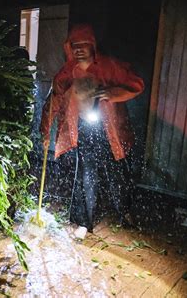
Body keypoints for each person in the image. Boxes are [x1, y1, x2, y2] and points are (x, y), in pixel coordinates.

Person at [40, 24, 144, 232]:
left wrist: (114, 93)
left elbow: (137, 84)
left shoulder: (109, 66)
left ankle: (125, 211)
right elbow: (55, 100)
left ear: (92, 46)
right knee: (86, 173)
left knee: (117, 172)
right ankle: (83, 221)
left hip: (110, 129)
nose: (79, 50)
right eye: (74, 45)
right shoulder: (67, 72)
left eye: (83, 45)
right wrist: (45, 131)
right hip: (84, 128)